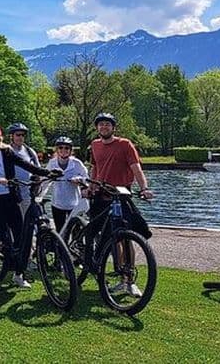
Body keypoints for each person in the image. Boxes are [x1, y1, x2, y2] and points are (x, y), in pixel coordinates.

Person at [0, 125, 62, 291]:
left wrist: (46, 173)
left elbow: (25, 164)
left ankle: (19, 274)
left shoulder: (7, 152)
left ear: (0, 140)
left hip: (11, 197)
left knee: (21, 235)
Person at [88, 112, 154, 297]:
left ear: (113, 127)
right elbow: (95, 168)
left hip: (121, 194)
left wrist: (144, 188)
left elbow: (136, 168)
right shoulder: (94, 145)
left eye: (107, 124)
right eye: (100, 124)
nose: (104, 127)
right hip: (101, 194)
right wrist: (91, 186)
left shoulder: (125, 144)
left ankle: (129, 280)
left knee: (126, 237)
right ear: (97, 128)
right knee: (108, 237)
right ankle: (111, 272)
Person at [46, 136, 88, 232]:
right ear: (56, 149)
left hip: (74, 204)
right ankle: (60, 247)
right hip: (57, 203)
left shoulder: (77, 163)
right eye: (60, 148)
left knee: (76, 231)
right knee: (60, 230)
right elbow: (45, 179)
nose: (63, 150)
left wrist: (79, 179)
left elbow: (87, 178)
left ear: (70, 150)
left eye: (66, 148)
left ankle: (76, 246)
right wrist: (39, 194)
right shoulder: (52, 163)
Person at [7, 123, 41, 218]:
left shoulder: (30, 151)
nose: (20, 137)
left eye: (23, 135)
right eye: (18, 135)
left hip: (27, 194)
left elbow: (37, 169)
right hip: (11, 194)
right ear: (11, 136)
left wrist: (38, 181)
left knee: (29, 223)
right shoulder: (6, 151)